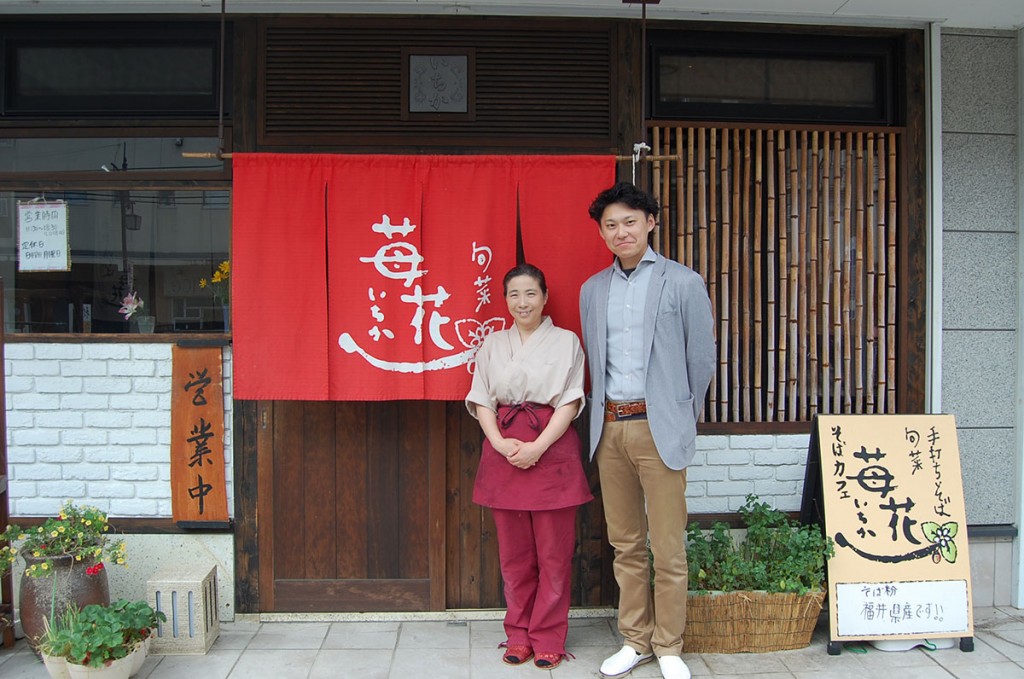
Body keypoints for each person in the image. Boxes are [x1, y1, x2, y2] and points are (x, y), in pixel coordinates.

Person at [579, 183, 716, 679]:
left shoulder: (683, 282)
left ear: (651, 222)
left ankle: (670, 645)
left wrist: (679, 414)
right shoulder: (593, 289)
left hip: (659, 429)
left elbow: (700, 360)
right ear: (601, 231)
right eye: (611, 225)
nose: (621, 232)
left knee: (668, 544)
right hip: (610, 428)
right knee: (626, 544)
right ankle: (635, 641)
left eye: (630, 221)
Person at [466, 262, 593, 670]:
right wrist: (500, 443)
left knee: (554, 556)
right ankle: (518, 635)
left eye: (531, 294)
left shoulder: (566, 341)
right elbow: (482, 398)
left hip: (551, 450)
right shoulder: (492, 344)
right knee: (514, 557)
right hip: (504, 450)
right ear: (505, 300)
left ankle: (549, 636)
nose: (523, 302)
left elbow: (571, 399)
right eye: (514, 295)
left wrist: (538, 446)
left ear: (545, 297)